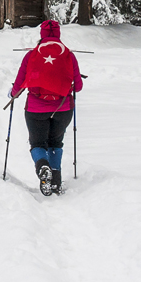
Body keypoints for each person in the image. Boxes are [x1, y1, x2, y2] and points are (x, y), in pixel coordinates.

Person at [9, 19, 83, 195]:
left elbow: (19, 84)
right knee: (55, 142)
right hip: (63, 108)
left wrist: (12, 94)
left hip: (36, 109)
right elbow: (78, 87)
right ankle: (55, 181)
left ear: (41, 34)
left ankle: (43, 166)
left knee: (37, 143)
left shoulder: (31, 56)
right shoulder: (69, 56)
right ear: (58, 34)